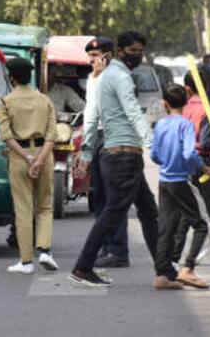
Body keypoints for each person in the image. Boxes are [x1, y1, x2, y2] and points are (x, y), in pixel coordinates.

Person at [71, 31, 159, 288]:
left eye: (141, 51)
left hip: (119, 151)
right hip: (119, 153)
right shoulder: (116, 76)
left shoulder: (105, 77)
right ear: (120, 52)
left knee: (146, 210)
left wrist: (87, 152)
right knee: (112, 210)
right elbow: (129, 110)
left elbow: (93, 116)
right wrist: (152, 143)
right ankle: (84, 266)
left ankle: (164, 269)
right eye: (133, 51)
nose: (138, 56)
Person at [151, 83, 210, 290]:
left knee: (166, 228)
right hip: (180, 181)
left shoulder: (161, 124)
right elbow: (189, 153)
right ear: (186, 102)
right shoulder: (185, 125)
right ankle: (187, 268)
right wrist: (205, 170)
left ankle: (162, 275)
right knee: (202, 226)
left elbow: (154, 154)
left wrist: (167, 161)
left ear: (165, 104)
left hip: (164, 181)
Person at [0, 57, 58, 274]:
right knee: (44, 206)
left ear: (11, 77)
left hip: (19, 157)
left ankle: (25, 262)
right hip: (44, 153)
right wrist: (40, 159)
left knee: (23, 209)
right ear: (30, 76)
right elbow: (52, 134)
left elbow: (7, 137)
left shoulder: (6, 101)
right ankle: (44, 250)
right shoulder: (44, 100)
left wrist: (27, 158)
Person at [85, 37, 130, 269]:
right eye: (90, 56)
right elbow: (89, 113)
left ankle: (119, 250)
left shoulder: (117, 77)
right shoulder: (91, 79)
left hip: (115, 141)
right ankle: (107, 247)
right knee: (99, 198)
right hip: (97, 141)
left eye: (96, 55)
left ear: (109, 55)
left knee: (115, 198)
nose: (93, 60)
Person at [172, 70, 210, 263]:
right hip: (201, 165)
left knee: (185, 213)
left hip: (180, 165)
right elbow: (207, 143)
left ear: (187, 88)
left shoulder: (180, 108)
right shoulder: (208, 111)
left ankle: (174, 258)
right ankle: (187, 264)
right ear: (206, 86)